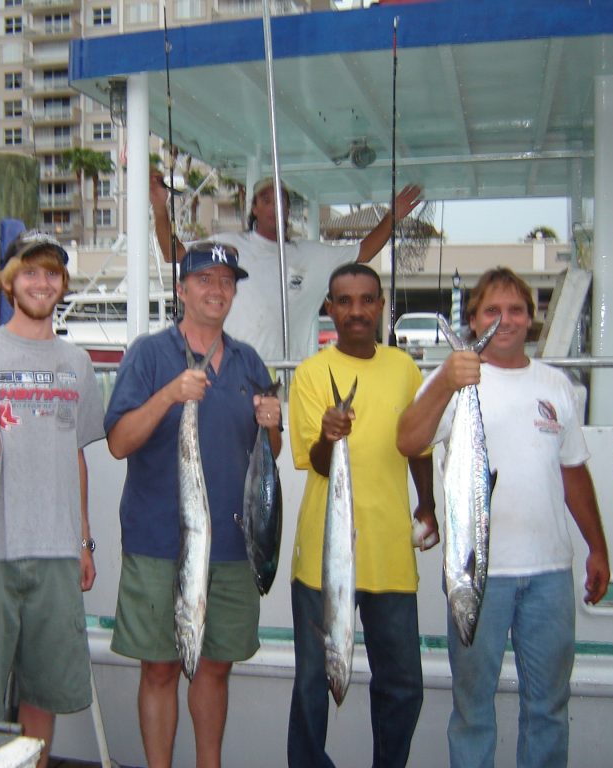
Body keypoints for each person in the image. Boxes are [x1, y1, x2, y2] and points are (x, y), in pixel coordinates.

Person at [397, 267, 610, 768]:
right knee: (473, 708)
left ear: (531, 320)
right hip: (477, 577)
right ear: (472, 319)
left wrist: (598, 547)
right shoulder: (452, 379)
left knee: (549, 706)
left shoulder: (555, 384)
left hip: (549, 574)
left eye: (516, 310)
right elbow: (408, 440)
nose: (505, 320)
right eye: (492, 310)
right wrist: (448, 380)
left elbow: (574, 473)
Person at [104, 242, 282, 768]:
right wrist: (169, 395)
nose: (216, 289)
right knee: (158, 667)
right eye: (204, 279)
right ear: (181, 289)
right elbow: (118, 442)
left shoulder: (250, 361)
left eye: (226, 281)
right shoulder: (148, 353)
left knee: (215, 668)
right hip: (160, 542)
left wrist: (274, 424)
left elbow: (269, 455)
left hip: (233, 545)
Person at [0, 233, 104, 768]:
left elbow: (76, 456)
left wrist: (84, 540)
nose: (41, 283)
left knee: (43, 693)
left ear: (63, 285)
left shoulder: (77, 362)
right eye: (29, 272)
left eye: (52, 273)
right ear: (8, 282)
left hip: (56, 549)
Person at [287, 262, 436, 768]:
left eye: (366, 300)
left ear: (380, 306)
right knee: (311, 683)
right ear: (330, 307)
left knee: (402, 684)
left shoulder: (405, 369)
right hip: (323, 556)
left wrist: (429, 504)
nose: (355, 311)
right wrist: (331, 435)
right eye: (344, 301)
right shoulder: (309, 374)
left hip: (390, 549)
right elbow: (319, 465)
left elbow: (418, 444)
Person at [151, 173, 423, 362]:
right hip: (228, 370)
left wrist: (393, 216)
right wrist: (160, 208)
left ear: (288, 209)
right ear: (254, 208)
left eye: (281, 200)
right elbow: (172, 253)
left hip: (286, 379)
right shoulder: (227, 245)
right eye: (266, 200)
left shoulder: (311, 254)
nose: (274, 207)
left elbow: (364, 251)